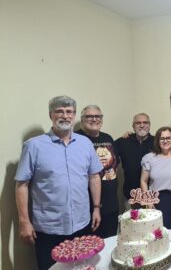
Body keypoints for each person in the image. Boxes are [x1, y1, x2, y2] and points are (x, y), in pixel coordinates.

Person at [15, 95, 103, 270]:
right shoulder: (34, 146)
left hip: (82, 224)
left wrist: (96, 208)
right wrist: (24, 221)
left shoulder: (85, 143)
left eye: (69, 112)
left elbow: (94, 177)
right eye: (59, 111)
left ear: (74, 115)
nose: (65, 116)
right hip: (49, 228)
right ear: (51, 115)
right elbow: (21, 185)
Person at [75, 105, 119, 238]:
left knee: (110, 242)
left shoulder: (108, 138)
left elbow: (115, 163)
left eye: (98, 116)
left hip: (111, 204)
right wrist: (95, 207)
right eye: (89, 116)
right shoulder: (76, 139)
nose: (94, 119)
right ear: (82, 119)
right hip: (89, 207)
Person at [116, 113, 154, 208]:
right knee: (131, 222)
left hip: (153, 196)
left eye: (145, 122)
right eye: (138, 123)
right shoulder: (123, 142)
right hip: (131, 196)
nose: (142, 125)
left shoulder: (157, 142)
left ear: (149, 125)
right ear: (133, 126)